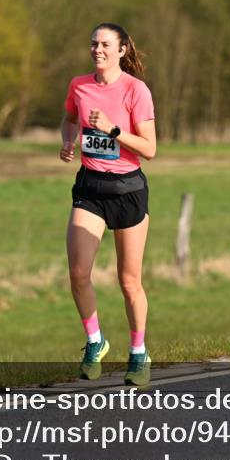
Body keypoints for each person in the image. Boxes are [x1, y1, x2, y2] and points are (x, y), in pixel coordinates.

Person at [60, 22, 157, 385]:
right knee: (79, 273)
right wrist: (68, 141)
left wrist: (114, 130)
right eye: (93, 44)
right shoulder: (79, 86)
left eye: (104, 44)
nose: (97, 49)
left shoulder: (136, 90)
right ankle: (95, 340)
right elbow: (70, 119)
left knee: (129, 281)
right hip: (90, 188)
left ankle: (138, 352)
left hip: (128, 189)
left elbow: (150, 149)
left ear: (121, 50)